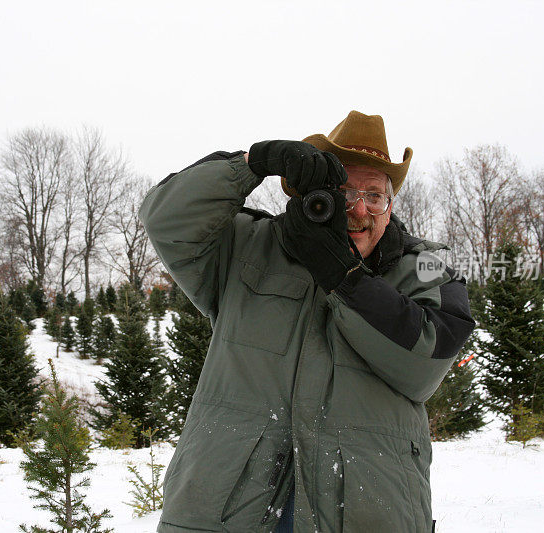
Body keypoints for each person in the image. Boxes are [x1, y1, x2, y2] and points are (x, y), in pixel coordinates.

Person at [139, 111, 475, 532]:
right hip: (227, 510)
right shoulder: (248, 245)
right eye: (343, 191)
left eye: (374, 195)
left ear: (390, 206)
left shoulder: (428, 265)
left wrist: (345, 279)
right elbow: (165, 218)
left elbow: (428, 356)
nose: (358, 209)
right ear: (313, 192)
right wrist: (252, 163)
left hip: (367, 513)